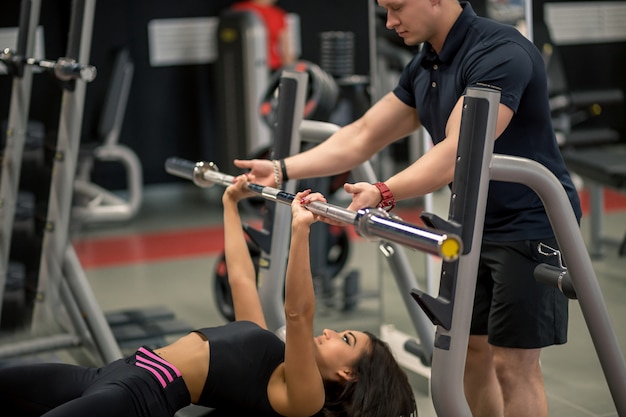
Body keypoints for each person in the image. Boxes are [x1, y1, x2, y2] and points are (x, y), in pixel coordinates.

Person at [233, 1, 583, 416]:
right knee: (470, 352)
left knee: (513, 365)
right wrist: (280, 168)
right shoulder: (426, 65)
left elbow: (459, 150)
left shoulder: (499, 53)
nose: (389, 21)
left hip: (531, 222)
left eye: (397, 8)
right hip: (474, 223)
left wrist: (383, 191)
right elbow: (363, 134)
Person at [0, 175, 417, 417]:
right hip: (109, 372)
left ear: (350, 375)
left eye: (346, 340)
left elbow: (299, 314)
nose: (330, 332)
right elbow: (240, 279)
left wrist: (302, 230)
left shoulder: (303, 398)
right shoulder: (266, 346)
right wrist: (230, 204)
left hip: (138, 396)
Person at [231, 0, 296, 71]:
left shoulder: (278, 14)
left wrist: (291, 70)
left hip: (272, 68)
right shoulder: (239, 10)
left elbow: (286, 50)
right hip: (245, 67)